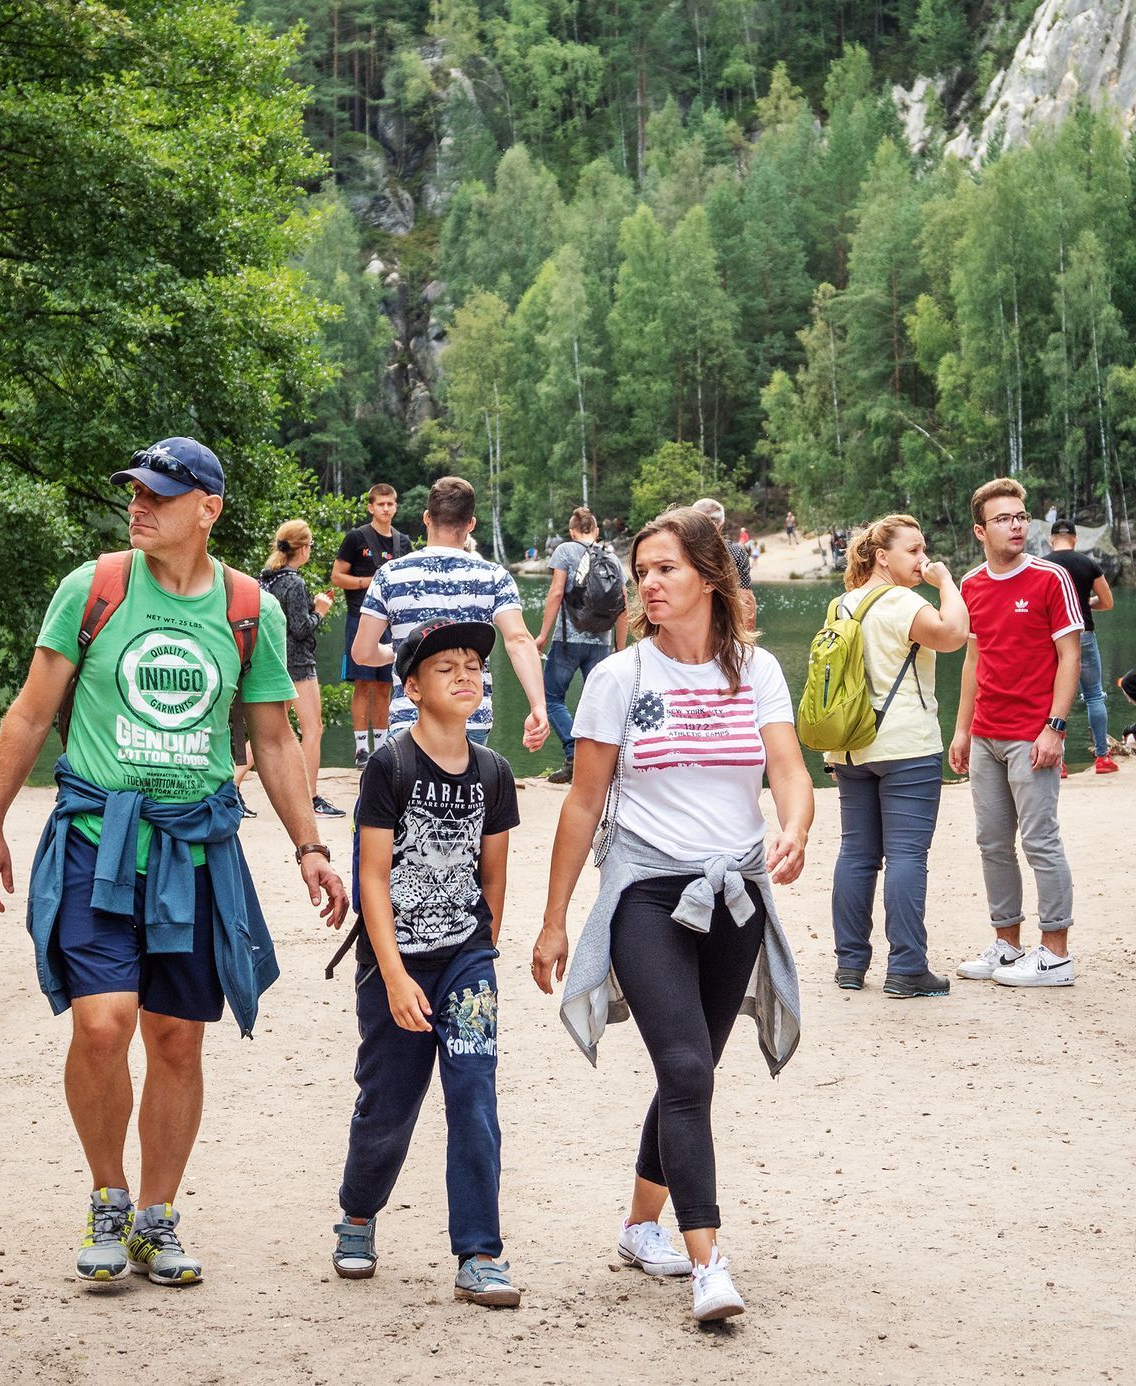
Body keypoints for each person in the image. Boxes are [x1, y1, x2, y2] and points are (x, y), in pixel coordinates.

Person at [0, 437, 347, 1287]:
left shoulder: (251, 607)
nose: (139, 505)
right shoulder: (93, 588)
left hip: (196, 852)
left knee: (177, 1040)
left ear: (207, 510)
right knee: (102, 1024)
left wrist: (311, 848)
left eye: (160, 495)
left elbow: (274, 739)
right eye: (134, 492)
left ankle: (156, 1216)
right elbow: (30, 716)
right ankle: (108, 1197)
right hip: (99, 843)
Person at [533, 507, 812, 1325]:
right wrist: (555, 921)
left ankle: (637, 1227)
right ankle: (708, 1263)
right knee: (687, 1070)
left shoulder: (755, 671)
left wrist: (794, 827)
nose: (648, 585)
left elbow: (789, 770)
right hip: (648, 894)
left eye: (666, 570)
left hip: (738, 896)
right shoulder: (621, 678)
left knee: (689, 1072)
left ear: (710, 578)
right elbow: (582, 807)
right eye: (641, 571)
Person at [331, 618, 522, 1307]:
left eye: (474, 664)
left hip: (466, 963)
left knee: (474, 1099)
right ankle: (357, 1213)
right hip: (395, 963)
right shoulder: (390, 766)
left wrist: (481, 951)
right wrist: (394, 974)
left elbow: (493, 875)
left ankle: (480, 1253)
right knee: (389, 1104)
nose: (466, 675)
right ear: (412, 687)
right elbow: (373, 879)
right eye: (447, 668)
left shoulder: (495, 773)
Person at [949, 478, 1086, 989]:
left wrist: (1055, 727)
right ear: (980, 530)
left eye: (1021, 516)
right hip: (986, 734)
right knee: (991, 843)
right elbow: (973, 658)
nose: (1016, 526)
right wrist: (962, 730)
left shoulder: (1051, 578)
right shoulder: (971, 585)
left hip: (1033, 736)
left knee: (1041, 842)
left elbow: (1069, 656)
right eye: (1004, 519)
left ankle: (1055, 955)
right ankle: (1007, 945)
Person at [825, 515, 969, 996]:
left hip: (850, 746)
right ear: (883, 556)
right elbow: (952, 635)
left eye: (925, 551)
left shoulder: (841, 605)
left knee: (856, 854)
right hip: (905, 744)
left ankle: (850, 964)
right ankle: (907, 968)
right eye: (914, 551)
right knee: (907, 854)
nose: (923, 559)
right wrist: (946, 581)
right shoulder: (903, 601)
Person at [349, 476, 548, 754]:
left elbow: (362, 653)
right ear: (470, 524)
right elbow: (518, 640)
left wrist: (400, 652)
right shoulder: (494, 576)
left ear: (427, 518)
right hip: (471, 717)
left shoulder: (389, 575)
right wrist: (538, 705)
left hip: (411, 715)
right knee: (468, 796)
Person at [537, 507, 628, 785]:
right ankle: (605, 765)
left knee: (551, 699)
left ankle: (573, 754)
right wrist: (620, 647)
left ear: (572, 531)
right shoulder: (612, 556)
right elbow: (622, 604)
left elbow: (555, 593)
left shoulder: (565, 550)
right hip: (601, 642)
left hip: (567, 641)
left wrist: (541, 635)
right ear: (596, 531)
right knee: (599, 704)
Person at [257, 520, 341, 817]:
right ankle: (310, 796)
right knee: (313, 729)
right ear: (303, 549)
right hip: (299, 664)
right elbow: (301, 628)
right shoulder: (294, 582)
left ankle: (233, 788)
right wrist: (320, 610)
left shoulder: (266, 578)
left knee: (267, 728)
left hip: (273, 659)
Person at [331, 484, 412, 769]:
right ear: (371, 507)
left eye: (391, 504)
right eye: (381, 504)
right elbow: (337, 576)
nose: (386, 509)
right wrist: (369, 581)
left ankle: (382, 746)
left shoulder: (403, 542)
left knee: (385, 685)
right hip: (361, 617)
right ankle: (360, 749)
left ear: (396, 506)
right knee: (363, 685)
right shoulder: (356, 538)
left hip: (394, 622)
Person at [1043, 519, 1118, 774]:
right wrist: (1085, 604)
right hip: (1083, 633)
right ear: (1075, 540)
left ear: (1051, 540)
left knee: (1054, 699)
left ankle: (1058, 762)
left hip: (1053, 639)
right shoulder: (1088, 564)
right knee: (1095, 695)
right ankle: (1102, 758)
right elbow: (1107, 602)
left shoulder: (1042, 565)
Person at [691, 497, 756, 628]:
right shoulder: (735, 551)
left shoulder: (680, 550)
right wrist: (746, 642)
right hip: (722, 627)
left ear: (691, 522)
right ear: (722, 524)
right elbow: (745, 600)